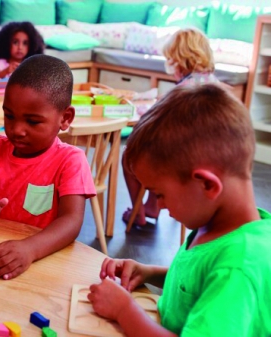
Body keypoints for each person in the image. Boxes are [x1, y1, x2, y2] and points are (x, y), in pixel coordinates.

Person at [89, 84, 271, 336]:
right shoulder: (217, 226)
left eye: (159, 194)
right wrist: (149, 272)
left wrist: (124, 311)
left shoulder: (237, 267)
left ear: (207, 184)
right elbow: (197, 282)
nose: (159, 206)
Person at [0, 54, 95, 280]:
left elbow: (71, 221)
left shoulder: (71, 160)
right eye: (9, 116)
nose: (17, 129)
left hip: (41, 262)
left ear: (65, 118)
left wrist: (30, 249)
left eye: (33, 121)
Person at [122, 27, 219, 227]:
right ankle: (152, 206)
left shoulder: (183, 92)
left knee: (130, 155)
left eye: (171, 60)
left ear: (180, 60)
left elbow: (152, 122)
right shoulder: (215, 85)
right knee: (154, 149)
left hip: (181, 160)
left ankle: (138, 212)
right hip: (208, 158)